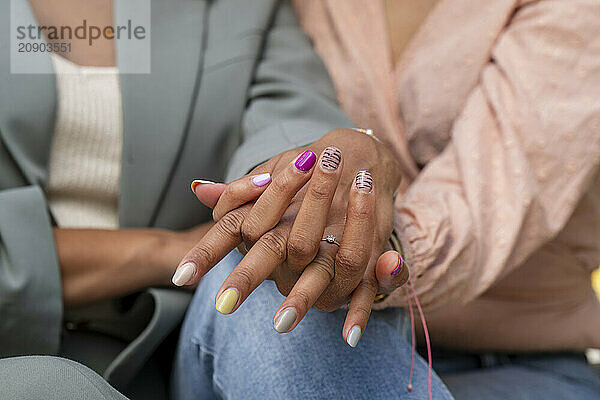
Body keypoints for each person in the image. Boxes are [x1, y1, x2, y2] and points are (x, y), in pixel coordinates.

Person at [1, 0, 436, 398]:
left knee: (277, 270)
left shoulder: (243, 8)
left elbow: (291, 116)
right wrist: (168, 249)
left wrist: (324, 179)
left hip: (176, 351)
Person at [173, 0, 600, 399]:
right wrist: (290, 206)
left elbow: (493, 200)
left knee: (285, 271)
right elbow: (272, 105)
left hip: (518, 363)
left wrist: (364, 242)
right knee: (272, 278)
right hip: (277, 351)